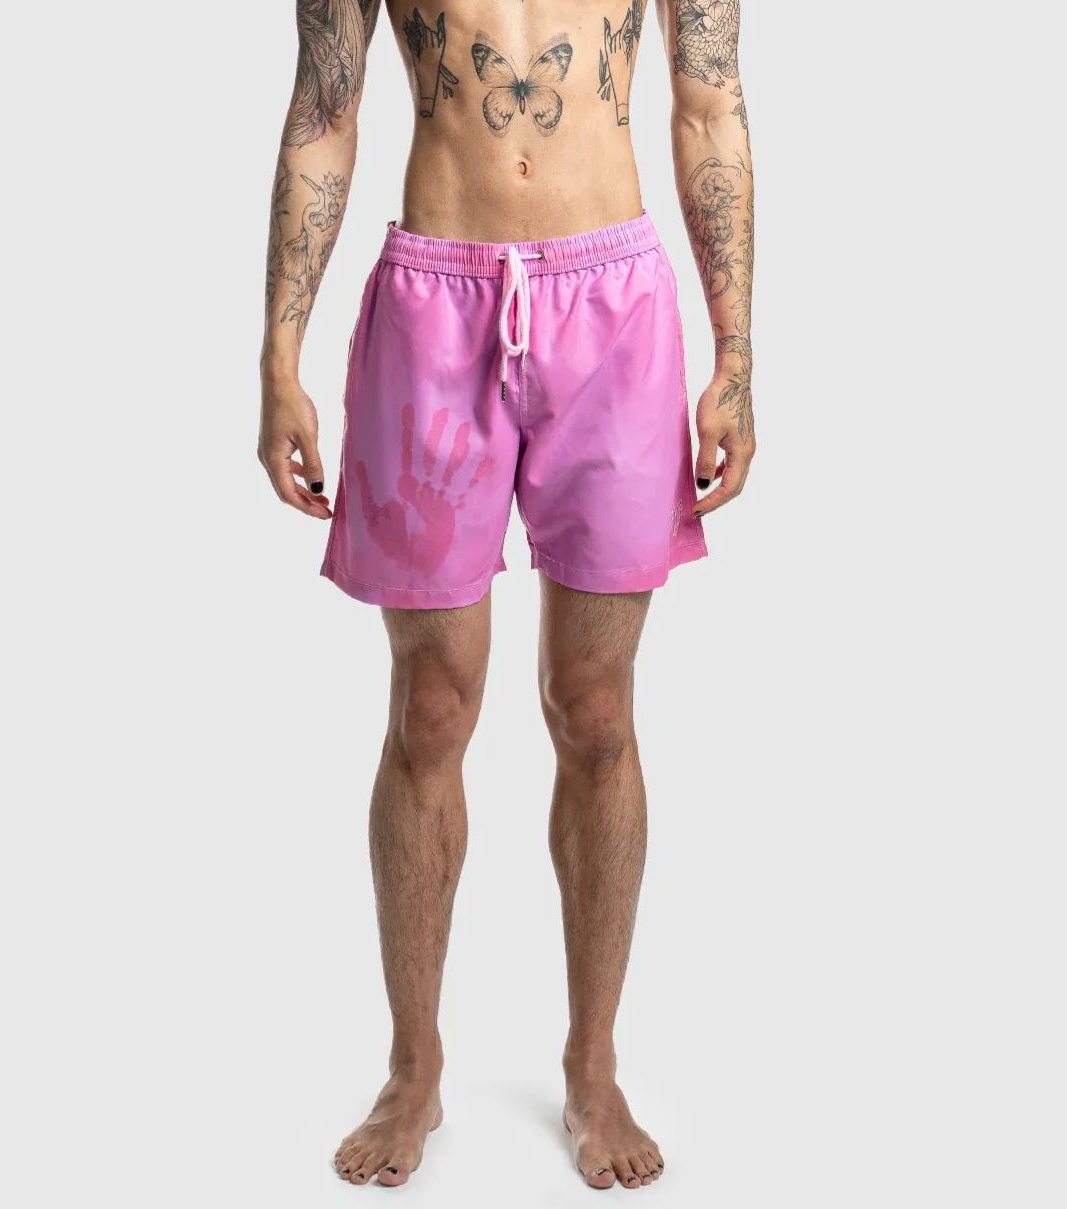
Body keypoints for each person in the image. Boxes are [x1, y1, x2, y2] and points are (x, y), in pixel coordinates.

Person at [257, 0, 755, 1190]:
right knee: (430, 706)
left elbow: (709, 102)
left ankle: (593, 1065)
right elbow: (325, 109)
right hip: (434, 304)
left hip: (614, 305)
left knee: (598, 710)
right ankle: (415, 1065)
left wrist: (736, 349)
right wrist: (279, 355)